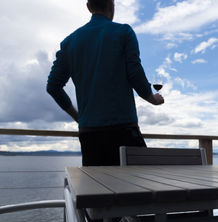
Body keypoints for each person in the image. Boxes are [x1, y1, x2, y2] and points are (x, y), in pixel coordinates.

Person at [47, 0, 164, 166]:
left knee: (97, 190)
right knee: (137, 188)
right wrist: (153, 99)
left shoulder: (68, 43)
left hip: (89, 134)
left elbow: (53, 87)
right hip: (123, 130)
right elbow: (135, 73)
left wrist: (78, 117)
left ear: (89, 7)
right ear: (112, 5)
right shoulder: (123, 32)